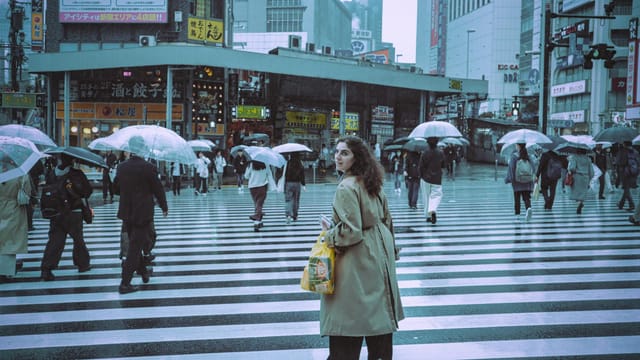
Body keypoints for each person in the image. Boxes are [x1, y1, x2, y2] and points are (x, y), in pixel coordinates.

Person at [319, 135, 404, 359]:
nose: (338, 156)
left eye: (344, 153)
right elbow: (387, 220)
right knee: (378, 319)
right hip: (379, 255)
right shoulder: (371, 182)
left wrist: (329, 234)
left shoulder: (346, 187)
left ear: (356, 158)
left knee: (347, 320)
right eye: (337, 151)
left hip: (357, 260)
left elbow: (350, 231)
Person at [113, 136, 168, 294]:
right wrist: (163, 206)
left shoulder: (122, 167)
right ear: (142, 149)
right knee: (135, 247)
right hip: (143, 213)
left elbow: (115, 188)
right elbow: (158, 188)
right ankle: (125, 283)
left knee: (137, 241)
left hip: (126, 212)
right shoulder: (148, 167)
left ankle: (143, 271)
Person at [40, 154, 93, 281]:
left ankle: (47, 268)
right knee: (78, 239)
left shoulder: (52, 174)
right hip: (74, 212)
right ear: (72, 161)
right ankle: (83, 264)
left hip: (56, 213)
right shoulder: (76, 174)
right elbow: (87, 191)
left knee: (55, 240)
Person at [0, 173, 31, 281]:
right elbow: (27, 191)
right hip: (14, 207)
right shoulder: (19, 174)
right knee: (10, 240)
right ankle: (5, 271)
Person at [505, 143, 535, 222]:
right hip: (528, 180)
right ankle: (528, 208)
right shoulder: (529, 156)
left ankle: (517, 216)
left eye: (516, 145)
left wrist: (509, 179)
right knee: (526, 198)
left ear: (518, 146)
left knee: (517, 199)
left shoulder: (514, 156)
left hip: (517, 181)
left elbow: (511, 169)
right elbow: (534, 167)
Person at [419, 137, 444, 224]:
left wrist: (422, 175)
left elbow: (421, 166)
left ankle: (428, 216)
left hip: (426, 178)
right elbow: (443, 165)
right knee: (436, 195)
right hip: (437, 178)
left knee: (426, 197)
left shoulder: (425, 153)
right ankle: (433, 209)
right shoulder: (440, 153)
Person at [244, 160, 275, 229]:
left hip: (252, 187)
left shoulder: (251, 164)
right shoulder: (266, 164)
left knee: (256, 203)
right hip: (262, 186)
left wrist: (252, 176)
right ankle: (257, 219)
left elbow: (246, 176)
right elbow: (269, 174)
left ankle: (258, 221)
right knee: (259, 203)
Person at [567, 148, 595, 214]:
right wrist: (589, 179)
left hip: (577, 176)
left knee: (577, 192)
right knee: (583, 193)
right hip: (586, 177)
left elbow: (572, 168)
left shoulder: (574, 157)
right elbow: (592, 172)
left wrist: (570, 168)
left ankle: (579, 203)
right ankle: (581, 203)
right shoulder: (588, 159)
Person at [283, 153, 306, 223]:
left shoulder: (288, 163)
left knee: (288, 200)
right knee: (296, 200)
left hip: (289, 183)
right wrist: (303, 184)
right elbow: (302, 174)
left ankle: (288, 215)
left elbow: (285, 174)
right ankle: (295, 216)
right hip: (297, 183)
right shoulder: (300, 163)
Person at [616, 141, 638, 212]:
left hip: (624, 172)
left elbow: (619, 162)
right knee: (627, 189)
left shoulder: (622, 151)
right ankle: (621, 204)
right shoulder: (635, 152)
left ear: (624, 144)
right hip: (633, 172)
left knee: (626, 188)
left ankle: (631, 204)